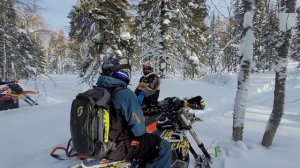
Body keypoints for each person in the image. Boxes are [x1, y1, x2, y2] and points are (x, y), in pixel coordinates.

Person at [96, 56, 171, 168]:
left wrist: (137, 97)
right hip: (119, 145)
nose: (146, 69)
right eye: (144, 67)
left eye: (148, 68)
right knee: (154, 139)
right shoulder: (141, 79)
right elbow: (137, 90)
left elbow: (149, 90)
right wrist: (133, 97)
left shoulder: (154, 77)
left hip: (151, 105)